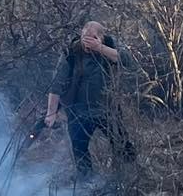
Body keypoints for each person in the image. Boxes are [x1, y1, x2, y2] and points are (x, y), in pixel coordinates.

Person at [45, 21, 130, 179]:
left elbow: (126, 61)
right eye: (85, 37)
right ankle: (87, 185)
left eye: (93, 38)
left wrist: (100, 48)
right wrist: (51, 112)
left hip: (107, 110)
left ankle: (128, 178)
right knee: (79, 150)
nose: (88, 41)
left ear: (101, 38)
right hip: (79, 112)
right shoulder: (71, 52)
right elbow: (57, 82)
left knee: (123, 146)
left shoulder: (108, 47)